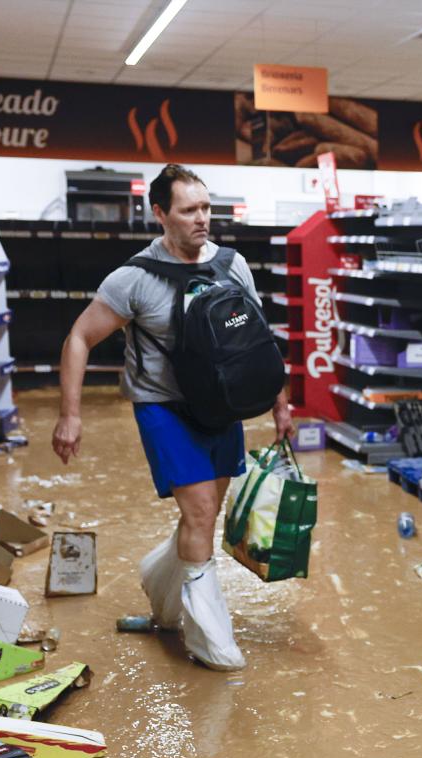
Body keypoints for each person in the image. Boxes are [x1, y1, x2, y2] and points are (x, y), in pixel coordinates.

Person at [52, 163, 293, 670]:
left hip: (221, 405)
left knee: (202, 513)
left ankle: (160, 594)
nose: (202, 219)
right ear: (160, 214)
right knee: (202, 512)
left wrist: (280, 402)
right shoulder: (134, 279)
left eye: (206, 208)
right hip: (163, 407)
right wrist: (69, 416)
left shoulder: (232, 265)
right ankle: (212, 642)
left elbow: (257, 342)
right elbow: (78, 337)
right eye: (189, 211)